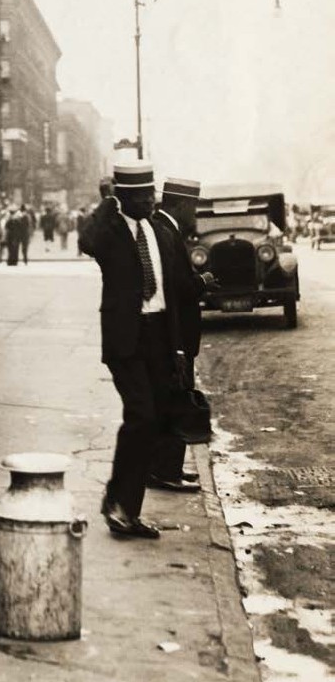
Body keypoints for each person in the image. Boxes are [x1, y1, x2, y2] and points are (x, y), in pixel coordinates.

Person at [78, 162, 181, 540]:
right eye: (140, 196)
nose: (150, 201)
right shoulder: (111, 233)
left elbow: (178, 282)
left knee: (152, 422)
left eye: (151, 193)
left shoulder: (160, 231)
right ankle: (119, 504)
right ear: (123, 197)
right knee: (141, 416)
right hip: (126, 338)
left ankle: (125, 508)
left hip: (159, 337)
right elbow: (86, 242)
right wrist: (107, 203)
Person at [150, 177, 214, 493]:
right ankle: (165, 471)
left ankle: (168, 467)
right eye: (194, 206)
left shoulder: (165, 229)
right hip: (172, 336)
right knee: (174, 399)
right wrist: (201, 282)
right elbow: (175, 288)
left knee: (171, 399)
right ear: (182, 204)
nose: (196, 214)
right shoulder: (166, 232)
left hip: (172, 336)